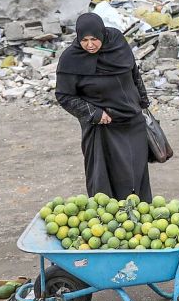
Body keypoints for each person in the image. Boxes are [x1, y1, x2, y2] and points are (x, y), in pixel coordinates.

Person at [56, 13, 153, 201]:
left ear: (102, 35)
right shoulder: (70, 59)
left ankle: (138, 222)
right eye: (84, 40)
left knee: (134, 174)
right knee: (103, 178)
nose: (90, 45)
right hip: (101, 128)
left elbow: (133, 72)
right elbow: (64, 95)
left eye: (94, 39)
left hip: (132, 122)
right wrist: (94, 113)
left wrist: (143, 102)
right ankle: (105, 221)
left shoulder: (117, 42)